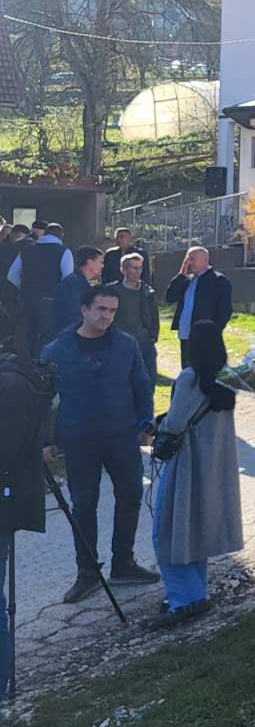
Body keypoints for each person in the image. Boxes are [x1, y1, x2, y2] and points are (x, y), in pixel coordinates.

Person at [41, 287, 159, 603]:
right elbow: (43, 400)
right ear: (84, 310)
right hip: (80, 441)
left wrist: (145, 424)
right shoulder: (57, 350)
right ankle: (87, 572)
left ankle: (124, 563)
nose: (106, 316)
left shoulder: (126, 345)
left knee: (131, 495)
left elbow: (142, 385)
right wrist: (47, 440)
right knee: (83, 504)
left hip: (122, 436)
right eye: (101, 309)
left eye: (112, 310)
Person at [148, 319, 244, 628]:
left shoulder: (190, 377)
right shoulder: (226, 377)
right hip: (214, 465)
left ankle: (184, 599)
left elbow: (176, 423)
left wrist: (157, 426)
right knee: (195, 531)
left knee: (169, 531)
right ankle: (195, 593)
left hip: (188, 464)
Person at [6, 220, 72, 358]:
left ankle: (25, 363)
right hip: (50, 299)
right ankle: (42, 363)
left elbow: (12, 275)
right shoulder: (63, 251)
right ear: (61, 236)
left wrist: (24, 288)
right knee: (48, 334)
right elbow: (68, 279)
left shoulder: (26, 250)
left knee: (26, 332)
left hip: (26, 297)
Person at [164, 247, 232, 369]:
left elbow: (225, 312)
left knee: (205, 372)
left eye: (192, 259)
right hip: (186, 337)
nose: (188, 262)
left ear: (205, 261)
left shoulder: (219, 281)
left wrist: (213, 332)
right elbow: (170, 297)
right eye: (187, 259)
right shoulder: (187, 280)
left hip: (205, 339)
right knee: (188, 373)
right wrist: (182, 274)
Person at [106, 250, 160, 383]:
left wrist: (152, 337)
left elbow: (154, 316)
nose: (138, 271)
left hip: (144, 343)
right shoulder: (112, 291)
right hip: (120, 344)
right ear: (123, 270)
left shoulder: (147, 292)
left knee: (147, 381)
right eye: (134, 268)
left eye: (140, 268)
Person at [52, 246, 102, 336]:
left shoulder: (80, 282)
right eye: (100, 262)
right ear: (90, 263)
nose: (102, 266)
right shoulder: (74, 283)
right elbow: (73, 315)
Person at [102, 227, 156, 292]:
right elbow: (105, 274)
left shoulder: (140, 253)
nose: (119, 240)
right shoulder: (110, 254)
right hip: (113, 289)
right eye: (117, 237)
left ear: (130, 239)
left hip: (134, 289)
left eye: (122, 237)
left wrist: (144, 290)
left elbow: (145, 274)